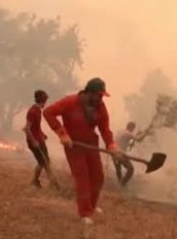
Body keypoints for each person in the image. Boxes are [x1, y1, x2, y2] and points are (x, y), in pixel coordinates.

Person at [43, 77, 123, 225]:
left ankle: (91, 205)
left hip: (91, 144)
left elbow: (104, 128)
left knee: (98, 176)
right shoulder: (70, 102)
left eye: (102, 96)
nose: (101, 98)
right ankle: (84, 213)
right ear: (90, 93)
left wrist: (111, 145)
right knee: (82, 178)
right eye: (99, 95)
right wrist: (62, 133)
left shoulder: (100, 107)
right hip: (74, 146)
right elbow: (48, 112)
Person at [23, 90, 58, 189]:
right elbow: (27, 128)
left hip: (39, 140)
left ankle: (52, 182)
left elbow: (36, 127)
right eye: (44, 100)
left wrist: (42, 134)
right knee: (42, 162)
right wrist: (34, 141)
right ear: (40, 99)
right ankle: (35, 181)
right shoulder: (33, 111)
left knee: (46, 161)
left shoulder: (38, 110)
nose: (45, 102)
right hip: (35, 142)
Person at [113, 121, 139, 187]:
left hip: (113, 152)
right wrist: (146, 134)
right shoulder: (128, 133)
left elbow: (120, 142)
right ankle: (123, 184)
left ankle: (120, 186)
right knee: (131, 169)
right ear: (131, 128)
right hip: (120, 154)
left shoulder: (120, 131)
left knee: (118, 171)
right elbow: (139, 139)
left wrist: (130, 144)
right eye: (133, 129)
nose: (133, 130)